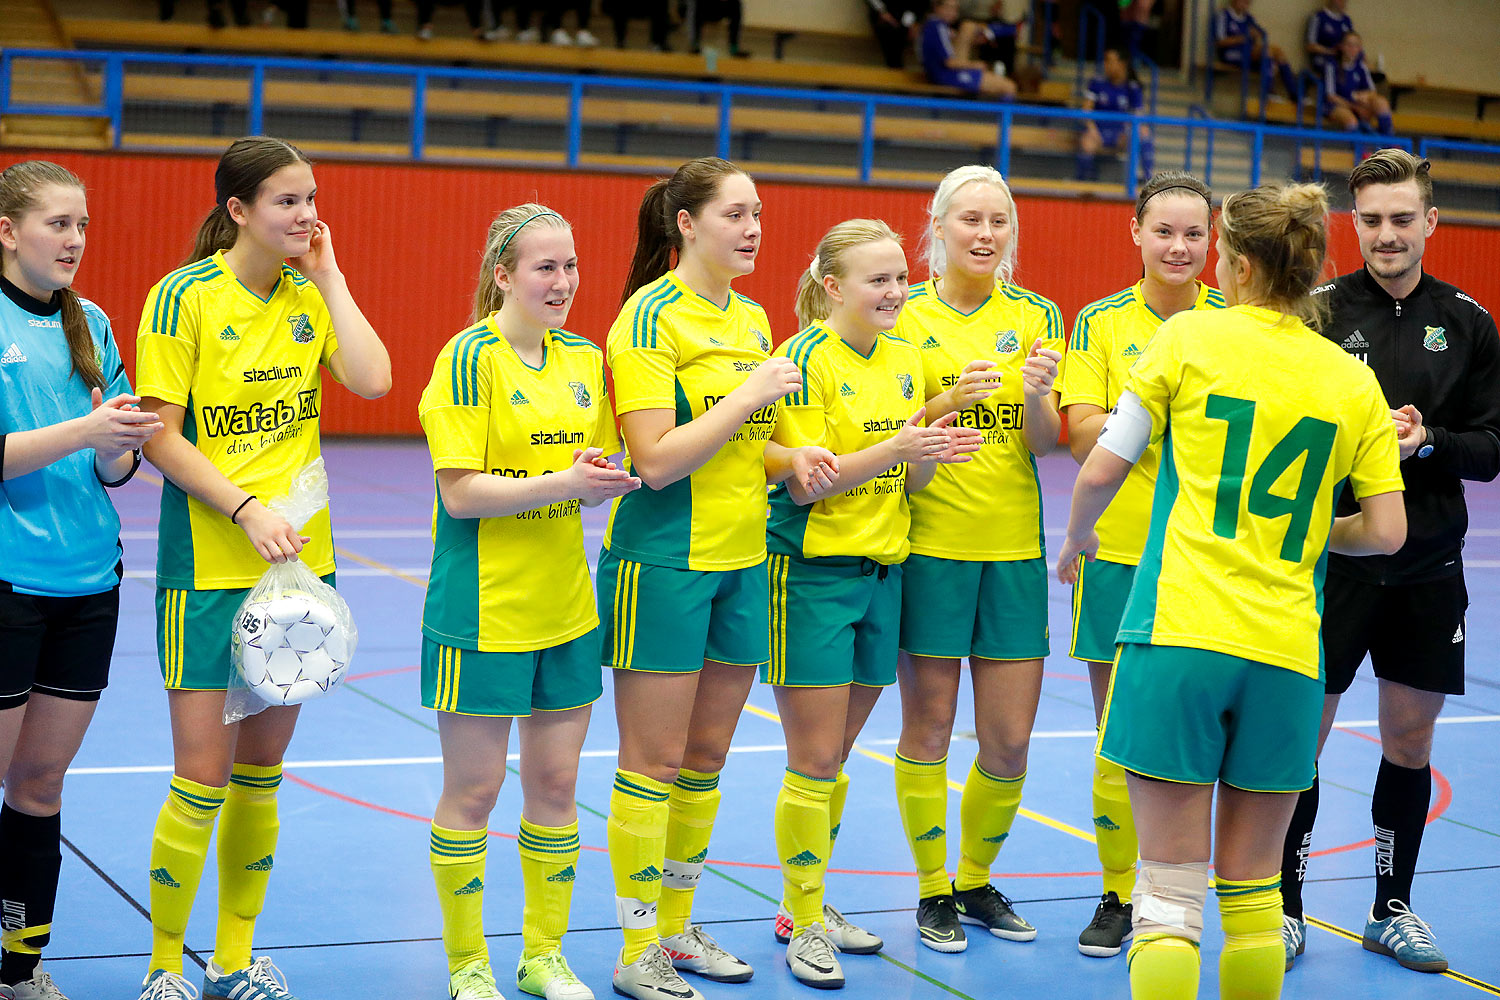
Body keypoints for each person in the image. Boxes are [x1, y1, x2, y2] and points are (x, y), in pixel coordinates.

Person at [1056, 180, 1406, 1000]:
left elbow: (1103, 464)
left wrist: (1076, 541)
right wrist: (1325, 532)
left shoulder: (1187, 338)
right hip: (1287, 650)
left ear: (1239, 265)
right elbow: (1386, 532)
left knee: (1169, 896)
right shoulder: (1351, 382)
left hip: (1180, 631)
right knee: (1252, 898)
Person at [133, 136, 391, 1000]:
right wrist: (244, 506)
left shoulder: (306, 297)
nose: (307, 214)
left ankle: (234, 960)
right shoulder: (182, 299)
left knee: (259, 775)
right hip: (210, 567)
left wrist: (334, 280)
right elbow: (160, 434)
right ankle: (166, 967)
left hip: (300, 576)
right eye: (287, 201)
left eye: (312, 198)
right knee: (200, 777)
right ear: (238, 209)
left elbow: (374, 379)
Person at [598, 156, 834, 1000]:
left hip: (743, 560)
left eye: (760, 213)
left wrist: (789, 454)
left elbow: (745, 448)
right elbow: (655, 461)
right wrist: (750, 393)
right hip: (663, 564)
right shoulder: (646, 319)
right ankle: (635, 950)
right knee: (652, 761)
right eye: (736, 213)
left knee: (705, 756)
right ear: (686, 223)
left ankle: (674, 927)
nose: (755, 228)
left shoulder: (752, 316)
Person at [1279, 149, 1500, 976]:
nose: (1385, 234)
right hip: (1332, 567)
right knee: (1303, 740)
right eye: (1369, 219)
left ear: (1431, 222)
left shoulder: (1470, 323)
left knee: (1409, 742)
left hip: (1428, 572)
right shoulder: (1318, 314)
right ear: (1354, 222)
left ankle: (1389, 908)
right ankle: (1286, 908)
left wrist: (1428, 440)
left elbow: (1492, 449)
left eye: (1402, 218)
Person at [417, 204, 639, 1000]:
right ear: (503, 275)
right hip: (482, 611)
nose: (564, 283)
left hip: (568, 611)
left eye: (572, 266)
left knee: (554, 787)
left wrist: (597, 475)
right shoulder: (467, 359)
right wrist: (567, 484)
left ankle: (543, 955)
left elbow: (591, 462)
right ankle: (467, 963)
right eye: (545, 267)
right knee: (473, 792)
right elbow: (462, 494)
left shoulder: (583, 357)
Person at [765, 219, 981, 989]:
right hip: (813, 575)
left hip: (883, 572)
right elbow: (806, 480)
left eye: (900, 278)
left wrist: (930, 448)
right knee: (814, 758)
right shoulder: (801, 360)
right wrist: (899, 446)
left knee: (836, 759)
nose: (895, 292)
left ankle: (807, 905)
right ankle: (802, 916)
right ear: (832, 287)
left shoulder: (904, 360)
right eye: (877, 280)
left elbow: (906, 480)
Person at [890, 164, 1063, 954]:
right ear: (938, 227)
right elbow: (890, 437)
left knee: (1008, 741)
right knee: (928, 727)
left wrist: (1033, 397)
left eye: (998, 220)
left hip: (1015, 550)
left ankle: (972, 878)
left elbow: (1045, 441)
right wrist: (942, 403)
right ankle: (931, 894)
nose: (985, 233)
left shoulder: (1036, 315)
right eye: (969, 220)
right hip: (930, 547)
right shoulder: (903, 316)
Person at [0, 161, 161, 1000]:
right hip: (6, 583)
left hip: (87, 587)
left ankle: (17, 969)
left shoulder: (89, 321)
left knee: (38, 785)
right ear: (7, 231)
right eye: (57, 223)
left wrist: (119, 443)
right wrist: (84, 429)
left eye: (82, 226)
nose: (74, 240)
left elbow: (113, 468)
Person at [1056, 170, 1224, 960]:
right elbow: (1083, 433)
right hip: (1121, 553)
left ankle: (1190, 890)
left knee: (1204, 736)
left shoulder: (1238, 320)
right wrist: (1159, 416)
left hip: (1212, 560)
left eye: (1194, 233)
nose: (1180, 247)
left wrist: (1136, 425)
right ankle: (1121, 893)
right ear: (1136, 233)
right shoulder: (1100, 323)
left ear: (1215, 239)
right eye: (1165, 231)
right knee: (1116, 736)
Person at [1077, 48, 1152, 182]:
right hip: (1098, 132)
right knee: (1087, 142)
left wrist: (1132, 129)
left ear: (1122, 64)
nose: (1106, 65)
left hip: (1120, 134)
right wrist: (1092, 130)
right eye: (1105, 61)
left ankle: (1147, 178)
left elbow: (1139, 116)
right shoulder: (1097, 83)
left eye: (1110, 61)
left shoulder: (1132, 87)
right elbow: (1085, 111)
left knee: (1144, 133)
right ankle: (1084, 181)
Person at [921, 0, 1017, 98]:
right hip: (946, 76)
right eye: (948, 7)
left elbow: (956, 38)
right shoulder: (937, 26)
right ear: (936, 7)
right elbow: (949, 62)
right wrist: (974, 65)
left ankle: (994, 112)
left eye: (955, 8)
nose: (953, 12)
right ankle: (1003, 113)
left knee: (968, 26)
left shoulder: (939, 26)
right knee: (1008, 87)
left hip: (946, 74)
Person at [1213, 0, 1299, 102]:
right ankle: (1268, 92)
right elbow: (1220, 41)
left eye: (1248, 2)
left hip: (1248, 55)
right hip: (1230, 53)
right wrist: (1243, 38)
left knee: (1277, 53)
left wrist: (1257, 33)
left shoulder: (1248, 18)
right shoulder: (1223, 16)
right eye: (1244, 1)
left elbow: (1262, 33)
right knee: (1267, 53)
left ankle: (1294, 94)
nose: (1246, 4)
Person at [1322, 32, 1392, 135]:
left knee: (1381, 102)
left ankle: (1388, 142)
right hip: (1336, 105)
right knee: (1351, 120)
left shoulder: (1361, 66)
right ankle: (1361, 149)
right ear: (1341, 47)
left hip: (1357, 104)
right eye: (1349, 45)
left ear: (1360, 49)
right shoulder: (1332, 66)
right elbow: (1331, 96)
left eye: (1356, 46)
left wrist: (1363, 96)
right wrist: (1355, 108)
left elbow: (1372, 91)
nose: (1352, 49)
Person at [865, 0, 925, 69]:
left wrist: (909, 23)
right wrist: (882, 11)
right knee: (889, 32)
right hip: (884, 15)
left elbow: (921, 5)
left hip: (909, 16)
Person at [1304, 0, 1352, 77]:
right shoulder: (1318, 17)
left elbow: (1353, 41)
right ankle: (1331, 89)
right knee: (1332, 66)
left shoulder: (1347, 20)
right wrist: (1330, 51)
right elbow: (1310, 46)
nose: (1343, 2)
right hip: (1323, 58)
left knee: (1357, 66)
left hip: (1341, 59)